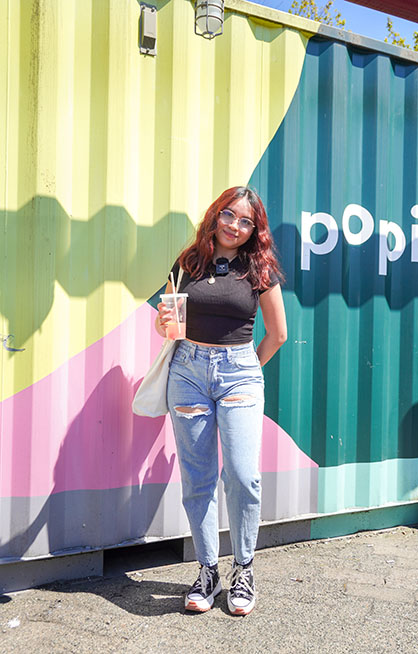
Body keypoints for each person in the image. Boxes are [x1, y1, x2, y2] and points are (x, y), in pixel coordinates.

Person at [155, 186, 287, 616]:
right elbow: (171, 325)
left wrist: (246, 370)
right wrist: (163, 322)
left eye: (246, 221)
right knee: (198, 478)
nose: (235, 226)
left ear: (255, 230)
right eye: (230, 215)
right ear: (216, 215)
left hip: (240, 373)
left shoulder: (259, 268)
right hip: (188, 372)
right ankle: (208, 570)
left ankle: (244, 567)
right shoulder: (189, 261)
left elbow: (277, 333)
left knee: (244, 477)